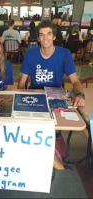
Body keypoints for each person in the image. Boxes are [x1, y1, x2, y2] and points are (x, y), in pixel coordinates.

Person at [18, 20, 85, 164]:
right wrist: (21, 100)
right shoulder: (31, 54)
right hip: (35, 96)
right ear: (38, 37)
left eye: (49, 34)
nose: (45, 38)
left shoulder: (64, 54)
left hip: (56, 96)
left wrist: (80, 94)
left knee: (58, 126)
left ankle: (56, 147)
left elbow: (75, 81)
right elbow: (22, 82)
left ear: (54, 36)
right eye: (41, 35)